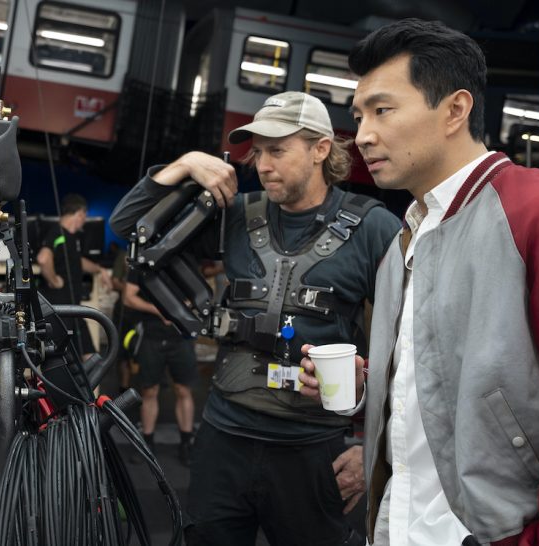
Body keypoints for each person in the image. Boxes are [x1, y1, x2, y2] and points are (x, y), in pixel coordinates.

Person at [296, 18, 539, 546]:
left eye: (383, 110)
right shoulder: (403, 241)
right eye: (359, 114)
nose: (363, 133)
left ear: (455, 109)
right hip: (398, 526)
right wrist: (373, 391)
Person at [111, 91, 401, 546]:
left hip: (312, 450)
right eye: (258, 152)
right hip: (223, 437)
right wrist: (183, 165)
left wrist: (378, 451)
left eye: (278, 150)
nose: (262, 165)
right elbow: (130, 226)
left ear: (321, 149)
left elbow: (414, 345)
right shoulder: (235, 216)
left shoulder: (374, 228)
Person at [122, 270, 197, 465]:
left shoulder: (183, 259)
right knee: (149, 391)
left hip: (181, 337)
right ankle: (147, 444)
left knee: (183, 389)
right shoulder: (143, 262)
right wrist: (160, 310)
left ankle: (186, 443)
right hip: (151, 336)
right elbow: (128, 297)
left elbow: (198, 294)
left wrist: (177, 309)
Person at [36, 193, 112, 355]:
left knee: (91, 357)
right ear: (80, 213)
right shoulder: (57, 233)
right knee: (59, 363)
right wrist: (54, 280)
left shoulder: (71, 238)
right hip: (58, 312)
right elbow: (43, 258)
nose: (84, 220)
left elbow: (79, 261)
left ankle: (87, 382)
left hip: (74, 312)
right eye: (84, 215)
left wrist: (100, 269)